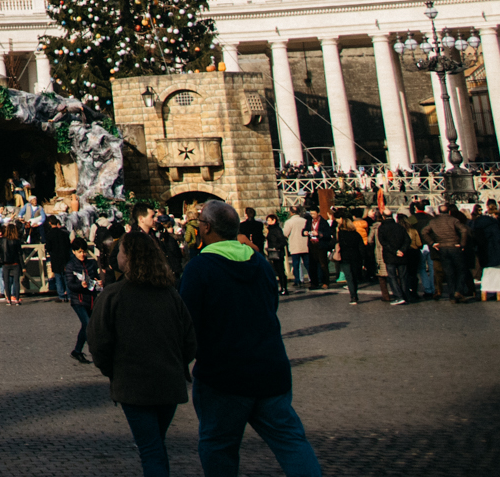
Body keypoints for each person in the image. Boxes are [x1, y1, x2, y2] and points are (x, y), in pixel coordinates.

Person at [178, 199, 324, 477]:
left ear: (206, 227)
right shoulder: (259, 262)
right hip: (270, 367)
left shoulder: (199, 268)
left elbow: (187, 323)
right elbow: (271, 306)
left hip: (223, 375)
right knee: (292, 443)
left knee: (219, 446)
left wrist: (184, 358)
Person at [90, 230, 195, 477]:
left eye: (122, 251)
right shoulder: (170, 294)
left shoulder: (114, 295)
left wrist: (112, 371)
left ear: (129, 257)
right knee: (156, 444)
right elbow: (189, 340)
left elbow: (98, 341)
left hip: (133, 385)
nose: (118, 255)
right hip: (168, 383)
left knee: (151, 448)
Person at [65, 239, 100, 363]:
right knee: (88, 324)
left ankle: (77, 351)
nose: (82, 254)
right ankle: (96, 352)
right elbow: (70, 284)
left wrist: (99, 281)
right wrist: (81, 285)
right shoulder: (70, 266)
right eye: (79, 252)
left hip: (90, 299)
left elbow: (96, 277)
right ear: (74, 252)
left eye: (84, 252)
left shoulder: (91, 264)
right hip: (78, 300)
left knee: (86, 326)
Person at [0, 221, 25, 303]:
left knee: (6, 281)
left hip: (5, 263)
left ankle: (8, 299)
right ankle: (16, 298)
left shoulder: (2, 240)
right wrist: (23, 266)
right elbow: (20, 253)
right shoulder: (17, 241)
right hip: (15, 263)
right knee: (16, 281)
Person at [281, 208, 310, 291]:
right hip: (305, 245)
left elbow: (285, 233)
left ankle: (298, 280)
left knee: (296, 264)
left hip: (295, 245)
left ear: (291, 213)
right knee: (307, 263)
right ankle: (311, 278)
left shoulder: (289, 222)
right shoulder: (304, 220)